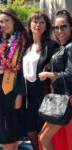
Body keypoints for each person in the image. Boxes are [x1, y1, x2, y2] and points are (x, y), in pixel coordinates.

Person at [0, 8, 27, 150]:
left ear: (14, 20)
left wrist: (20, 94)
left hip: (14, 89)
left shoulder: (24, 39)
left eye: (7, 21)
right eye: (1, 22)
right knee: (3, 129)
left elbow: (24, 71)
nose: (3, 24)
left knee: (12, 128)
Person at [22, 11, 59, 150]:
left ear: (46, 26)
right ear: (30, 24)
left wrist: (49, 71)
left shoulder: (52, 45)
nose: (38, 25)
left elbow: (57, 68)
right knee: (31, 133)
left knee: (44, 134)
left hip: (44, 95)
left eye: (41, 22)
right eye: (35, 21)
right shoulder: (27, 46)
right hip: (28, 96)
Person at [39, 9, 72, 150]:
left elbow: (70, 75)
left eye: (63, 26)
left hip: (66, 100)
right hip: (59, 99)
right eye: (56, 28)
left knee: (45, 138)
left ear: (71, 27)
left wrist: (48, 75)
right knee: (50, 138)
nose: (59, 31)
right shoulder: (63, 47)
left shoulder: (70, 47)